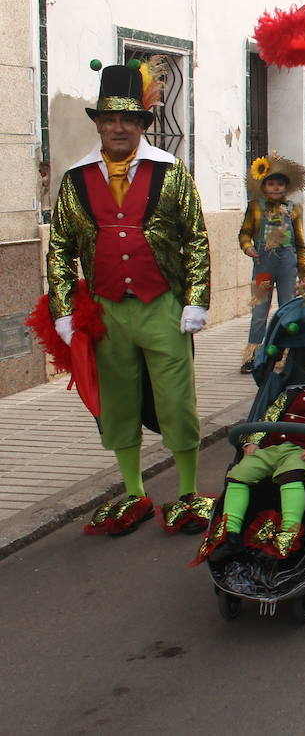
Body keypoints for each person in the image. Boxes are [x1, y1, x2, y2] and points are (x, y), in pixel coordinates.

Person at [46, 59, 213, 537]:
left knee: (176, 400)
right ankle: (134, 492)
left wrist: (197, 298)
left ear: (142, 123)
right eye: (109, 119)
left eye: (128, 119)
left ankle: (186, 493)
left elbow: (195, 237)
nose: (118, 127)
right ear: (98, 124)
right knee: (118, 403)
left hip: (162, 305)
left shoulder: (169, 170)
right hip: (106, 311)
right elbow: (59, 248)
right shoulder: (76, 179)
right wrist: (63, 312)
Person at [207, 347, 305, 564]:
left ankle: (288, 535)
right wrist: (253, 441)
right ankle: (230, 535)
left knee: (292, 474)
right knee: (239, 474)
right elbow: (268, 418)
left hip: (301, 450)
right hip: (272, 447)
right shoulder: (292, 393)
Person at [239, 153, 305, 373]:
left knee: (288, 308)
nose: (276, 188)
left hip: (288, 266)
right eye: (271, 184)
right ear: (263, 186)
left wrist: (303, 271)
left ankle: (285, 353)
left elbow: (299, 241)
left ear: (286, 187)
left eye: (280, 184)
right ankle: (253, 355)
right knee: (260, 311)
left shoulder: (293, 209)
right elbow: (245, 232)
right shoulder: (255, 207)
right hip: (263, 266)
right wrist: (247, 247)